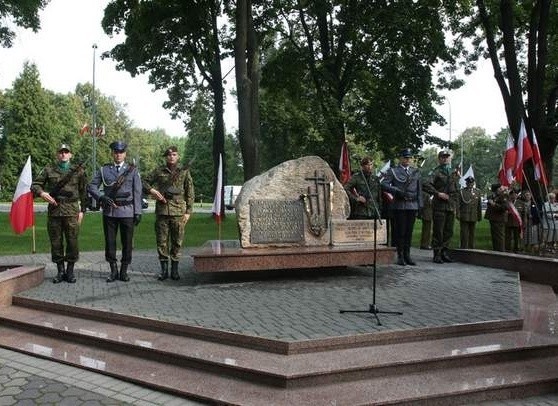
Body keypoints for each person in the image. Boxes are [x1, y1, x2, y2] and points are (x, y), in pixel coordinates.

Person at [31, 144, 88, 283]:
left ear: (70, 155)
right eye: (61, 152)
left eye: (66, 152)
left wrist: (83, 210)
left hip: (72, 212)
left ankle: (70, 271)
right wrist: (42, 193)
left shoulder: (79, 171)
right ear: (58, 154)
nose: (63, 154)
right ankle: (60, 271)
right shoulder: (49, 170)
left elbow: (84, 192)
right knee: (56, 242)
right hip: (55, 212)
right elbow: (34, 185)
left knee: (72, 242)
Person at [88, 141, 143, 282]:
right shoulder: (104, 170)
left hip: (127, 212)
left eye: (121, 152)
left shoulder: (132, 170)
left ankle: (124, 271)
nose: (118, 155)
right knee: (110, 242)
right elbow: (92, 186)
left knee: (127, 242)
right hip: (110, 212)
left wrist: (138, 212)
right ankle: (113, 270)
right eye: (116, 152)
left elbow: (137, 192)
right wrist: (101, 197)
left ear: (125, 154)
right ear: (112, 153)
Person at [143, 146, 194, 281]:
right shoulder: (159, 171)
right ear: (166, 157)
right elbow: (144, 182)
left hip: (178, 212)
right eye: (169, 155)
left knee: (177, 242)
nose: (172, 157)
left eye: (174, 154)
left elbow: (190, 191)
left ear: (178, 157)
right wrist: (153, 191)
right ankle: (164, 270)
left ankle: (175, 270)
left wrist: (188, 211)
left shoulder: (184, 171)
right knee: (162, 242)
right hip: (162, 211)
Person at [381, 148, 423, 265]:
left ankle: (407, 255)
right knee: (401, 232)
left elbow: (419, 190)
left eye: (409, 158)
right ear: (400, 158)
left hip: (412, 205)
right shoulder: (393, 171)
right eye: (405, 157)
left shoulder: (415, 172)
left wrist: (420, 206)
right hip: (400, 205)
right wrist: (396, 190)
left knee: (409, 232)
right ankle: (400, 256)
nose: (407, 160)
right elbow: (383, 184)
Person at [423, 150, 460, 263]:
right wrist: (437, 193)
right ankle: (437, 253)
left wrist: (456, 204)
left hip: (450, 206)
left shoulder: (454, 173)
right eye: (443, 157)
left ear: (450, 159)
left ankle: (444, 252)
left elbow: (457, 189)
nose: (445, 159)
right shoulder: (436, 172)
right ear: (439, 159)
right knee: (438, 230)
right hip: (439, 205)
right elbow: (426, 184)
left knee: (449, 231)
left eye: (447, 157)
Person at [457, 176, 482, 249]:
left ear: (474, 183)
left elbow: (479, 205)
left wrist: (479, 216)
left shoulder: (477, 192)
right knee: (464, 233)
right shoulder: (462, 192)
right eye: (469, 183)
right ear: (466, 183)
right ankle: (463, 247)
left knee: (472, 233)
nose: (470, 184)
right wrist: (458, 214)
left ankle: (471, 247)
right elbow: (458, 204)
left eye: (472, 183)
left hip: (473, 215)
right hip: (464, 215)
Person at [484, 183, 509, 252]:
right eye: (500, 188)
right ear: (496, 190)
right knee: (494, 236)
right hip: (493, 218)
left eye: (501, 188)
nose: (501, 189)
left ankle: (501, 251)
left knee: (500, 237)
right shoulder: (492, 196)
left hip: (500, 219)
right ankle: (495, 251)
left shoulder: (504, 196)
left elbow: (505, 207)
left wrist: (494, 204)